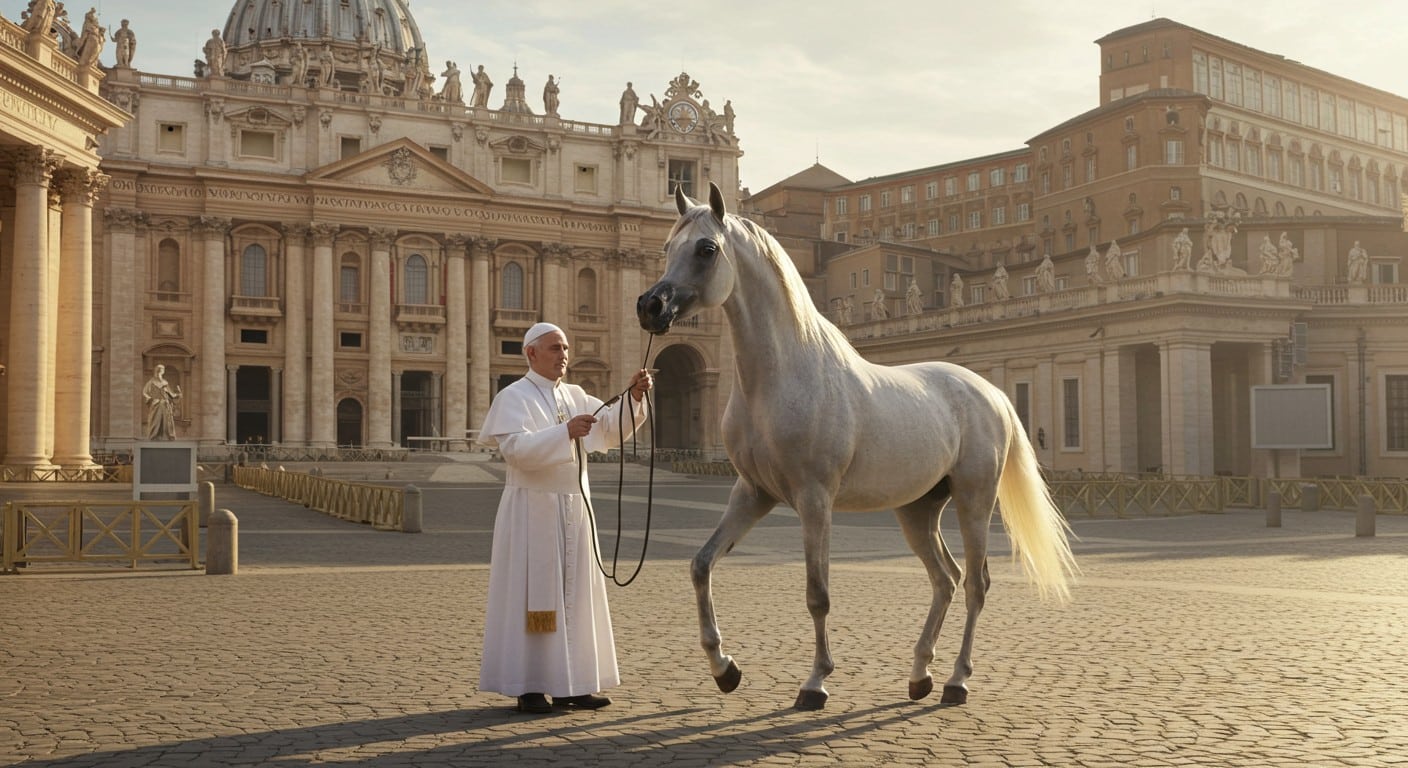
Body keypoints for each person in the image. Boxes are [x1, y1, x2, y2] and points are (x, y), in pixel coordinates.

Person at [477, 322, 653, 714]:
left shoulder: (575, 395)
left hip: (575, 509)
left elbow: (608, 427)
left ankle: (572, 683)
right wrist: (564, 433)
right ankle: (532, 685)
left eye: (567, 348)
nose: (564, 356)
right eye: (555, 348)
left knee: (576, 597)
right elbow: (516, 450)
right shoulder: (514, 396)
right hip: (533, 510)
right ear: (531, 354)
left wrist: (635, 397)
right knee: (537, 598)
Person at [143, 364, 181, 440]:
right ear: (156, 371)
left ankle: (167, 436)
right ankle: (154, 436)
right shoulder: (151, 382)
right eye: (158, 370)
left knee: (167, 421)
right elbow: (145, 392)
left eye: (161, 370)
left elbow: (171, 394)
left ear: (163, 372)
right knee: (155, 421)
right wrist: (151, 399)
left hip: (165, 404)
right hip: (156, 404)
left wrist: (178, 395)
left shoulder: (165, 383)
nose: (160, 372)